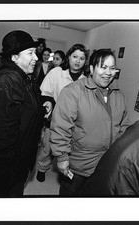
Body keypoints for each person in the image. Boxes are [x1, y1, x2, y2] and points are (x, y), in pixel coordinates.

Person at [0, 30, 52, 197]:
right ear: (14, 57)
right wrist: (11, 171)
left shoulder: (22, 77)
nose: (36, 57)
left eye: (35, 52)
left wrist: (45, 103)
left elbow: (28, 103)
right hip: (8, 168)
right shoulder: (5, 83)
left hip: (18, 161)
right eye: (30, 53)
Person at [50, 49, 130, 196]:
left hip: (106, 164)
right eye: (103, 67)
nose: (108, 72)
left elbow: (124, 127)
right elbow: (61, 126)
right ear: (92, 68)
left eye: (112, 68)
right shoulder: (73, 92)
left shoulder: (119, 95)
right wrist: (62, 157)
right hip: (79, 164)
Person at [36, 44, 88, 182]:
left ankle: (65, 171)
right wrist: (50, 104)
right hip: (54, 119)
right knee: (48, 148)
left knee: (69, 151)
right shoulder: (57, 72)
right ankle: (42, 168)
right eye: (75, 56)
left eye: (82, 58)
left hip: (75, 122)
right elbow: (45, 92)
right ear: (69, 57)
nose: (77, 61)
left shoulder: (86, 80)